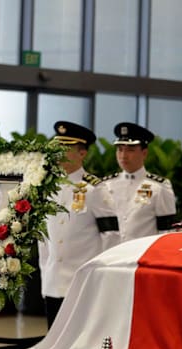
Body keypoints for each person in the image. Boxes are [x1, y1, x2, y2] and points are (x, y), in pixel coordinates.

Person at [39, 121, 120, 328]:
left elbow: (111, 236)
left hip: (82, 282)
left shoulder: (95, 189)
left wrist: (101, 275)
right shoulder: (48, 187)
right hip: (53, 282)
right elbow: (43, 237)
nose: (59, 154)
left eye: (66, 148)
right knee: (54, 339)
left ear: (82, 153)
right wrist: (45, 275)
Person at [102, 122, 176, 242]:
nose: (123, 156)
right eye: (120, 150)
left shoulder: (159, 187)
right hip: (111, 251)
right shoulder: (105, 185)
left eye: (130, 150)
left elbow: (166, 232)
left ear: (144, 153)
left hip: (142, 252)